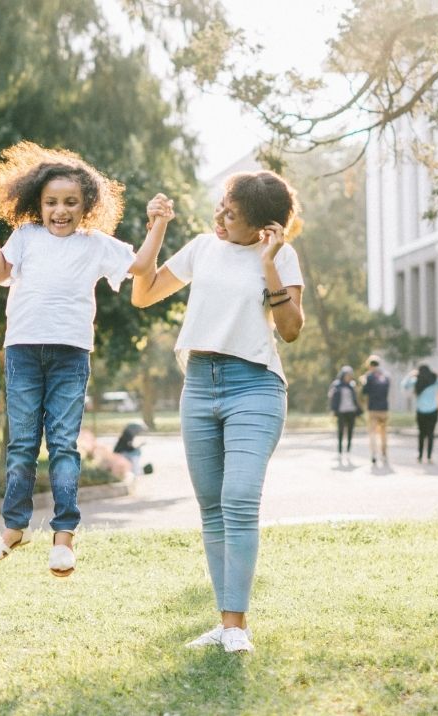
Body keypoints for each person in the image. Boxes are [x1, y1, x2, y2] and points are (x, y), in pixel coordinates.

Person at [0, 141, 169, 577]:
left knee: (63, 444)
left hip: (70, 354)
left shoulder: (95, 244)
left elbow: (139, 266)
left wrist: (156, 225)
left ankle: (64, 538)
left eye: (70, 203)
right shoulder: (26, 237)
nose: (59, 211)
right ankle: (13, 528)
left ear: (87, 206)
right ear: (37, 205)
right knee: (22, 445)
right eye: (51, 203)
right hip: (23, 350)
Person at [130, 170, 304, 654]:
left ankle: (236, 627)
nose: (221, 217)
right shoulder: (204, 247)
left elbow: (290, 329)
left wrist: (268, 263)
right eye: (222, 206)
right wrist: (157, 228)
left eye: (234, 214)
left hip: (255, 385)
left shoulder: (281, 255)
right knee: (212, 510)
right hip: (199, 385)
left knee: (240, 497)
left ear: (265, 227)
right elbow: (142, 295)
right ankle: (226, 624)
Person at [402, 364, 438, 463]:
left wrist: (410, 375)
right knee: (431, 434)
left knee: (421, 434)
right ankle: (429, 456)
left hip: (421, 411)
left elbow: (404, 385)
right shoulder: (434, 380)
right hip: (433, 410)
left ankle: (419, 456)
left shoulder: (416, 381)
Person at [361, 355, 391, 466]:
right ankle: (384, 453)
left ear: (370, 366)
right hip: (384, 408)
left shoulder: (369, 377)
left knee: (373, 433)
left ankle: (374, 454)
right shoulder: (386, 376)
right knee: (383, 433)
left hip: (373, 408)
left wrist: (364, 381)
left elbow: (364, 391)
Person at [328, 365, 362, 457]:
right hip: (341, 411)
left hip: (351, 411)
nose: (349, 377)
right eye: (347, 375)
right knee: (341, 430)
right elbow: (332, 398)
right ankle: (339, 450)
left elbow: (355, 399)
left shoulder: (352, 385)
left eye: (350, 375)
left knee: (350, 430)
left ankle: (348, 449)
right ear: (343, 375)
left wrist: (358, 410)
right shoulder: (336, 384)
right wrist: (333, 410)